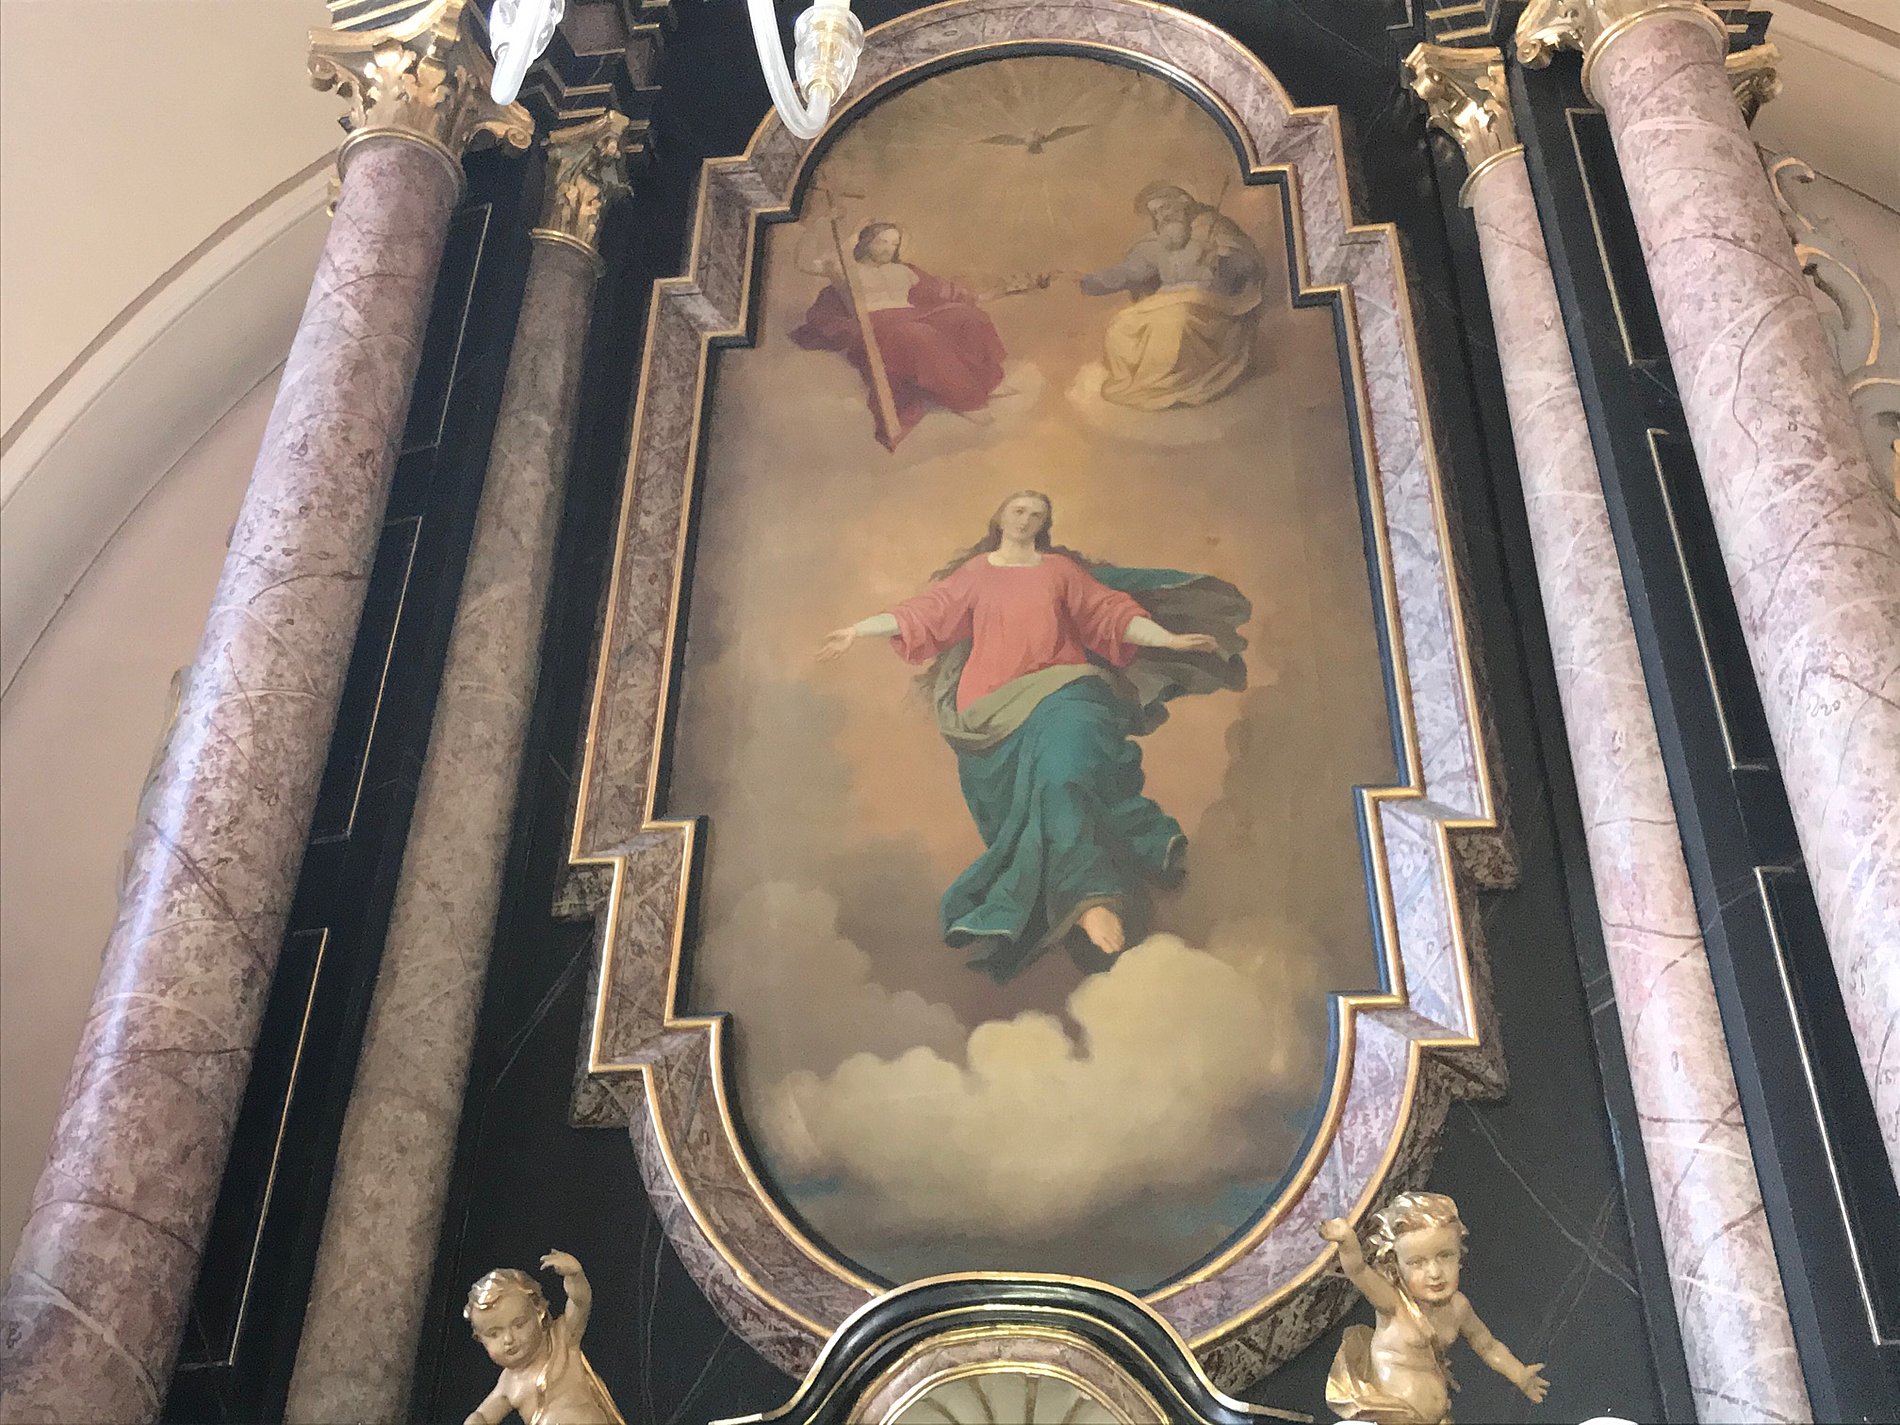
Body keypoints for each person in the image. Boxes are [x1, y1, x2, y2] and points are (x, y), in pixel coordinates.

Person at [818, 490, 1248, 980]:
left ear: (1045, 525)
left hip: (1066, 688)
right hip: (994, 710)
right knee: (1045, 795)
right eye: (1018, 511)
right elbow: (922, 613)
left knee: (1065, 775)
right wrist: (857, 631)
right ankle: (1084, 890)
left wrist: (1167, 639)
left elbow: (1109, 614)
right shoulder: (977, 574)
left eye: (1036, 515)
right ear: (1000, 516)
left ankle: (1093, 898)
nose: (1026, 520)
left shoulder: (1059, 571)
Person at [1318, 1195, 1550, 1424]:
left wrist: (1519, 1374)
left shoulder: (1459, 1307)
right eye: (1417, 1262)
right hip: (1392, 1418)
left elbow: (1487, 1345)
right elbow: (1358, 1270)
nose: (1435, 1273)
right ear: (1395, 1265)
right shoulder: (1393, 1304)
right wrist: (1347, 1242)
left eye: (1445, 1256)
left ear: (1459, 1255)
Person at [792, 220, 1011, 449]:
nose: (888, 249)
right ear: (866, 241)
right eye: (882, 242)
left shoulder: (903, 270)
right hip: (879, 325)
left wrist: (979, 297)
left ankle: (987, 380)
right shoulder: (844, 269)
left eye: (893, 244)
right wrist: (818, 223)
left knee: (970, 317)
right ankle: (966, 399)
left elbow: (941, 291)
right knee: (919, 335)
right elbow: (803, 262)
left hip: (914, 314)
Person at [1073, 182, 1265, 410]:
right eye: (1155, 212)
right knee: (1121, 326)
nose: (1161, 216)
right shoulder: (1157, 241)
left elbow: (1248, 266)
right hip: (1165, 299)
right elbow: (1130, 272)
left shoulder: (1215, 229)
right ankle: (1145, 385)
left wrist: (1225, 258)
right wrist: (1088, 282)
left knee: (1176, 321)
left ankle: (1176, 383)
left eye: (1164, 208)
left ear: (1183, 203)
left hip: (1210, 302)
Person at [463, 1252, 625, 1425]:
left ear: (539, 1312)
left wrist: (575, 1276)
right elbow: (483, 1416)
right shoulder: (508, 1384)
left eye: (519, 1324)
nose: (508, 1339)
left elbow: (580, 1304)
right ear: (480, 1339)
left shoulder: (562, 1339)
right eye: (494, 1334)